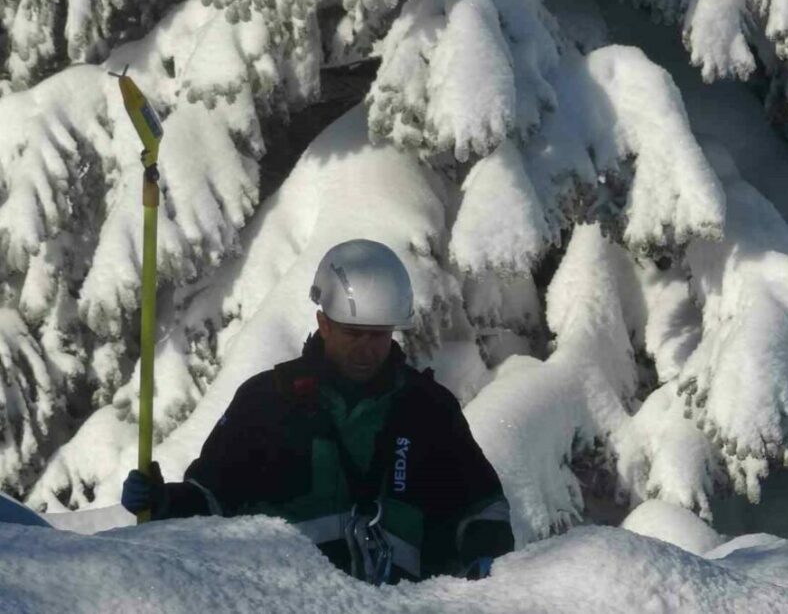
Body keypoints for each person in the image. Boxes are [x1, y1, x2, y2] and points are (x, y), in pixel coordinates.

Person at [121, 239, 513, 584]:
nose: (366, 348)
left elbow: (482, 504)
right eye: (353, 333)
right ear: (323, 324)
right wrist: (164, 503)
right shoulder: (268, 401)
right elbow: (212, 500)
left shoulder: (428, 409)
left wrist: (486, 555)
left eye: (378, 335)